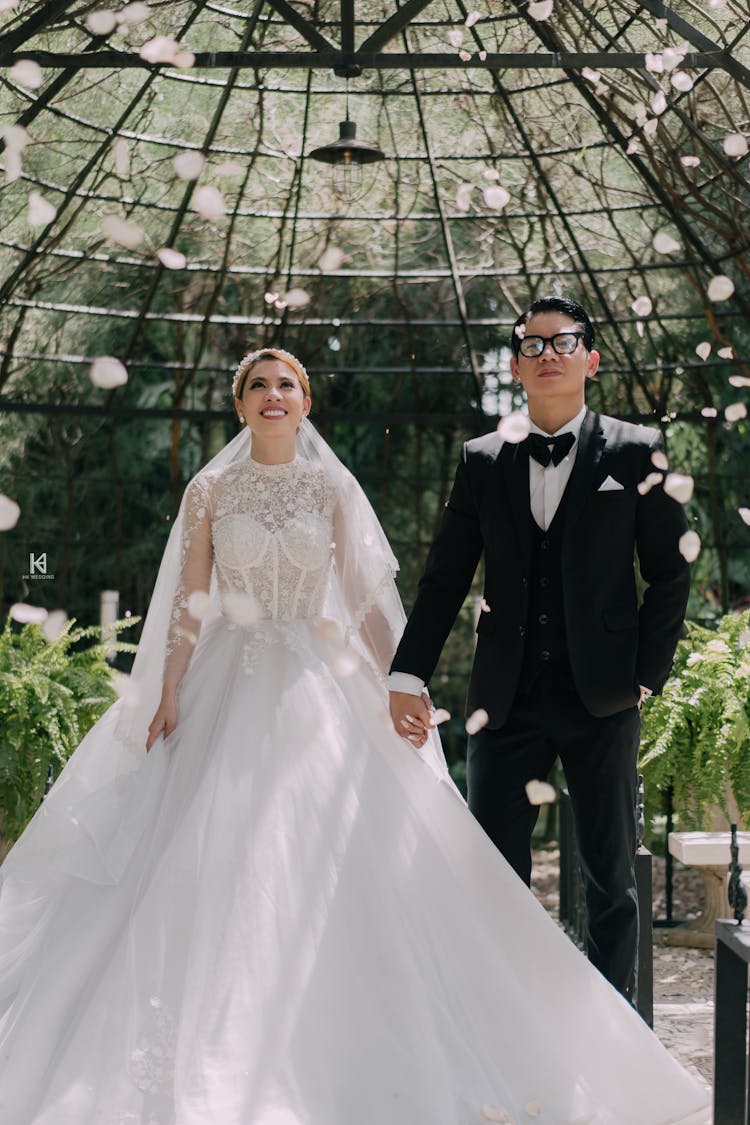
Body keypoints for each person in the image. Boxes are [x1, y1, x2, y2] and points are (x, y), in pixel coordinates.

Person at [0, 347, 709, 1125]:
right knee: (213, 854)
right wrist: (166, 691)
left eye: (289, 386)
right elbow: (188, 606)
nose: (275, 396)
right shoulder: (209, 489)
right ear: (241, 404)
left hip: (317, 681)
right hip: (226, 686)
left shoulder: (332, 485)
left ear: (306, 404)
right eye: (260, 386)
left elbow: (372, 605)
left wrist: (400, 684)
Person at [388, 296, 691, 1006]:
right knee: (492, 876)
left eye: (564, 341)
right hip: (505, 699)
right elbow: (443, 579)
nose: (549, 353)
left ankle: (615, 1037)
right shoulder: (482, 459)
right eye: (533, 344)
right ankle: (506, 1031)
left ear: (590, 358)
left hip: (605, 694)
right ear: (517, 366)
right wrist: (407, 673)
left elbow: (671, 571)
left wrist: (647, 676)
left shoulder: (636, 449)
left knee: (610, 881)